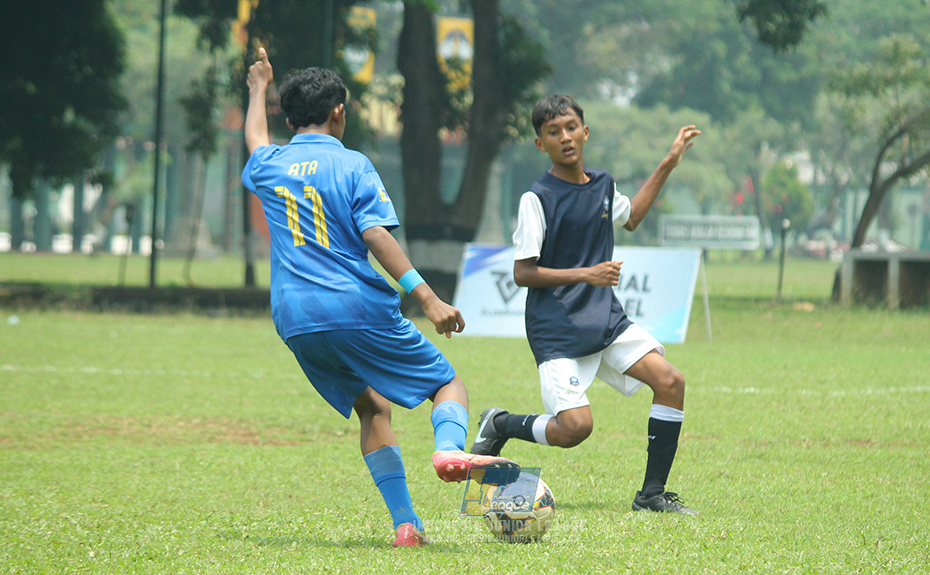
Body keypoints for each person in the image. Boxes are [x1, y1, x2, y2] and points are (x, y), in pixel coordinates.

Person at [242, 47, 516, 548]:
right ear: (338, 112)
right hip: (354, 306)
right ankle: (449, 452)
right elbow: (377, 236)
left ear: (290, 114)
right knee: (448, 385)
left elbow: (256, 138)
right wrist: (429, 299)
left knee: (373, 408)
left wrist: (258, 88)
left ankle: (406, 526)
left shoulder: (271, 164)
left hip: (296, 319)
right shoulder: (353, 165)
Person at [470, 94, 701, 514]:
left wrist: (668, 161)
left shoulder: (602, 185)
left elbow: (631, 218)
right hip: (556, 329)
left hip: (605, 320)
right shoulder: (535, 198)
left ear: (585, 131)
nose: (565, 137)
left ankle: (651, 495)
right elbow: (523, 272)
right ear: (541, 144)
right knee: (575, 429)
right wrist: (587, 274)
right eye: (553, 132)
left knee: (671, 381)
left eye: (571, 128)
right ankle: (500, 423)